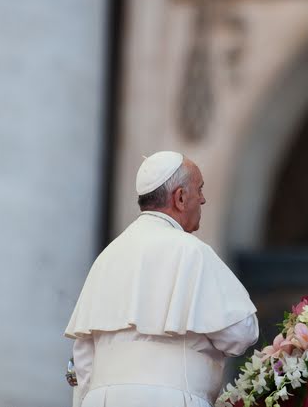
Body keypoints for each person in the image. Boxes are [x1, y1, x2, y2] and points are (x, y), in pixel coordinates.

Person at [65, 151, 258, 407]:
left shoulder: (106, 257)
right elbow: (241, 333)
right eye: (199, 189)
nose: (203, 199)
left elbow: (83, 359)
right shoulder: (192, 251)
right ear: (180, 197)